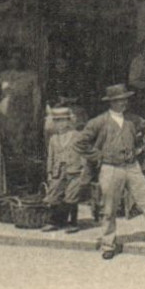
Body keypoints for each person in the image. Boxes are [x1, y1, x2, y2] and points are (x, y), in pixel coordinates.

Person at [76, 83, 145, 259]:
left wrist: (141, 147)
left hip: (132, 167)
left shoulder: (132, 119)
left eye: (125, 100)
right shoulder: (99, 121)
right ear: (111, 103)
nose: (123, 103)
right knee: (109, 209)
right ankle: (108, 244)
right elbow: (80, 143)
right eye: (119, 101)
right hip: (110, 168)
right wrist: (98, 156)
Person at [40, 99, 91, 233]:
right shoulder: (53, 139)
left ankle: (73, 223)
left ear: (69, 121)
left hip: (75, 171)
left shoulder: (78, 136)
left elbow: (85, 156)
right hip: (58, 171)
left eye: (63, 120)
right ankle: (55, 222)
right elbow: (50, 157)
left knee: (71, 196)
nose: (60, 124)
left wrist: (84, 173)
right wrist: (50, 173)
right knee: (54, 195)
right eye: (57, 121)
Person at [0, 48, 43, 157]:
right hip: (5, 116)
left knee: (21, 145)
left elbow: (37, 98)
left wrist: (35, 116)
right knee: (6, 145)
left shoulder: (31, 76)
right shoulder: (3, 76)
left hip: (23, 115)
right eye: (13, 58)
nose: (16, 61)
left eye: (19, 58)